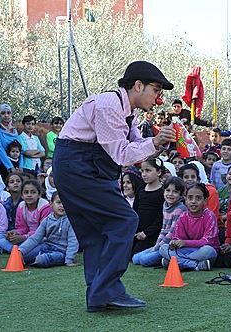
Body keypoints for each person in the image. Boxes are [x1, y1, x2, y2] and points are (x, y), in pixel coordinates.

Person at [52, 60, 176, 312]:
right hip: (79, 166)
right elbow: (121, 154)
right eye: (156, 89)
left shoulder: (125, 111)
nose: (159, 97)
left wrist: (158, 143)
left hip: (80, 166)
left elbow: (136, 146)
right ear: (138, 85)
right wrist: (153, 142)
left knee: (96, 234)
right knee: (124, 220)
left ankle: (99, 296)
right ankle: (108, 290)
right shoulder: (109, 106)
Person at [158, 183, 219, 271]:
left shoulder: (209, 216)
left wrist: (185, 243)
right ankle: (195, 265)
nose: (193, 201)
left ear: (205, 201)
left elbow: (208, 241)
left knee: (209, 251)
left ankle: (175, 262)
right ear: (186, 200)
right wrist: (174, 243)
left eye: (198, 198)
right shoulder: (183, 216)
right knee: (163, 249)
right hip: (186, 250)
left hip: (202, 250)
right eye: (190, 198)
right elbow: (177, 238)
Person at [132, 177, 187, 267]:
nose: (170, 194)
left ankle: (167, 258)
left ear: (180, 194)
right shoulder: (165, 205)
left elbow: (171, 233)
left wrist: (157, 247)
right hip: (162, 244)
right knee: (135, 258)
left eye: (175, 192)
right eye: (168, 190)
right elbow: (163, 229)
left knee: (144, 260)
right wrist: (156, 245)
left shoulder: (179, 209)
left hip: (171, 246)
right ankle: (163, 257)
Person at [18, 192, 79, 267]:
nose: (62, 206)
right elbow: (35, 238)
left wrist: (69, 259)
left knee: (43, 259)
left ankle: (39, 260)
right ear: (51, 204)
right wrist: (20, 251)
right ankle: (35, 259)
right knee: (24, 256)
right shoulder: (46, 221)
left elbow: (73, 241)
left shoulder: (71, 221)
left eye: (65, 203)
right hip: (46, 247)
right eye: (59, 202)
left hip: (62, 252)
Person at [132, 159, 165, 256]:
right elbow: (135, 210)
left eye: (148, 170)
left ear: (158, 172)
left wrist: (147, 233)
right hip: (138, 232)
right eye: (142, 171)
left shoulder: (162, 192)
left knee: (136, 254)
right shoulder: (141, 189)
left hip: (152, 234)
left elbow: (161, 217)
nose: (144, 174)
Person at [0, 104, 21, 179]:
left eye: (8, 113)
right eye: (3, 113)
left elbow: (19, 149)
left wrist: (20, 166)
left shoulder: (14, 130)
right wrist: (10, 167)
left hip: (14, 166)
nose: (6, 115)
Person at [0, 173, 24, 253]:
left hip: (23, 233)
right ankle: (16, 251)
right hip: (9, 234)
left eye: (18, 181)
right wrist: (9, 234)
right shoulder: (5, 204)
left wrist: (18, 233)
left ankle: (16, 250)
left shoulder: (26, 202)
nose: (15, 183)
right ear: (7, 187)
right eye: (12, 182)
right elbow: (3, 224)